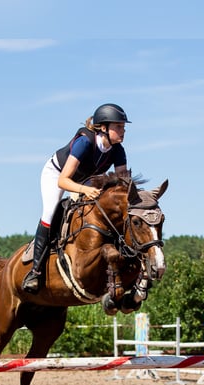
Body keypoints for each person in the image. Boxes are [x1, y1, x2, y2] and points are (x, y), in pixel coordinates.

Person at [22, 103, 131, 293]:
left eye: (123, 127)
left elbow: (122, 184)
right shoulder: (85, 142)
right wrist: (84, 190)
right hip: (57, 174)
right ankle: (35, 271)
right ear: (103, 128)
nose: (123, 131)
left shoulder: (118, 150)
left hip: (86, 179)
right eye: (119, 126)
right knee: (50, 211)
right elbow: (63, 181)